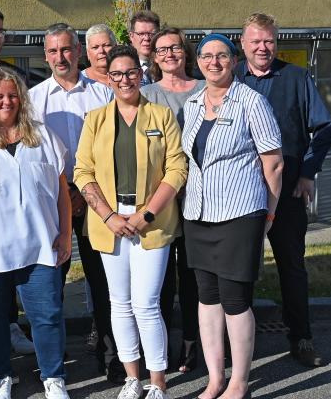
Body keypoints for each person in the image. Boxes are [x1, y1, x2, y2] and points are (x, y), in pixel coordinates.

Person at [74, 45, 187, 399]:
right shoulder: (95, 119)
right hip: (109, 223)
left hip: (151, 223)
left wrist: (146, 214)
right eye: (118, 74)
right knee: (119, 303)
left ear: (142, 74)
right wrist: (107, 215)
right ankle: (131, 378)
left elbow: (177, 168)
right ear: (109, 79)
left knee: (147, 304)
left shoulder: (160, 116)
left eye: (132, 72)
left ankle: (158, 382)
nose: (125, 80)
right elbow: (83, 171)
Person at [183, 34, 283, 399]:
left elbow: (273, 162)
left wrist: (267, 215)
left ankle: (239, 382)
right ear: (198, 62)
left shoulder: (251, 101)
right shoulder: (192, 102)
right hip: (198, 213)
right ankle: (215, 379)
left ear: (234, 60)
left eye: (221, 55)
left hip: (241, 211)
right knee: (207, 297)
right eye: (206, 56)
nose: (214, 62)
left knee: (235, 299)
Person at [0, 68, 73, 399]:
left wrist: (66, 235)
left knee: (48, 316)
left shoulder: (42, 136)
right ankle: (1, 376)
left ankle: (54, 377)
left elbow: (62, 191)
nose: (6, 102)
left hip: (40, 247)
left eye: (12, 95)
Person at [236, 12, 331, 368]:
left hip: (289, 191)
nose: (263, 47)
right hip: (240, 195)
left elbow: (324, 129)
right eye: (256, 41)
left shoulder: (296, 78)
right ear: (243, 43)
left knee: (292, 268)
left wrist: (308, 173)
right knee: (239, 272)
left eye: (269, 41)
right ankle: (238, 347)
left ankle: (301, 337)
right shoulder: (229, 80)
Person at [28, 23, 119, 382]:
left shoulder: (102, 94)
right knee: (52, 282)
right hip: (54, 202)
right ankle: (54, 357)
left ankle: (111, 355)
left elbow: (111, 147)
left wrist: (84, 192)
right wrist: (66, 193)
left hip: (97, 198)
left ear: (78, 51)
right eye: (52, 51)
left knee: (103, 281)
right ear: (45, 55)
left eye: (66, 50)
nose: (60, 58)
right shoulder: (35, 99)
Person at [140, 27, 204, 373]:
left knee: (193, 275)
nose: (168, 54)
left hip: (199, 196)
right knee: (161, 280)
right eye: (161, 49)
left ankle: (193, 347)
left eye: (174, 48)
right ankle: (159, 352)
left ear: (185, 52)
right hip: (160, 198)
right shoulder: (146, 94)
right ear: (153, 56)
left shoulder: (206, 89)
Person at [128, 10, 161, 85]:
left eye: (152, 34)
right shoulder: (124, 69)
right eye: (141, 34)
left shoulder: (168, 66)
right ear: (131, 36)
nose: (147, 38)